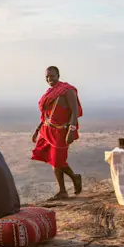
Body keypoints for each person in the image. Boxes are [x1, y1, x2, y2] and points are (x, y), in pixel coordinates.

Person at [31, 66, 84, 201]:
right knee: (54, 162)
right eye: (47, 77)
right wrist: (37, 130)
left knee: (58, 160)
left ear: (58, 75)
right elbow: (46, 115)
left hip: (61, 132)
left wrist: (71, 130)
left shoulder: (67, 91)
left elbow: (75, 111)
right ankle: (63, 191)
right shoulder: (51, 92)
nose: (49, 79)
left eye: (52, 76)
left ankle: (74, 178)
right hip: (47, 130)